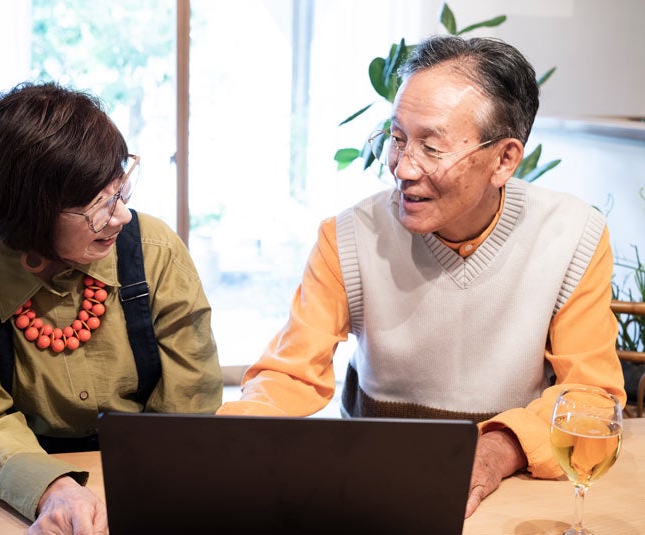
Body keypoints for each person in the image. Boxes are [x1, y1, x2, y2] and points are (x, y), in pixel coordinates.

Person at [217, 35, 626, 518]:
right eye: (397, 139)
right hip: (371, 483)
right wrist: (227, 443)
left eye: (431, 147)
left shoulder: (573, 236)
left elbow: (592, 399)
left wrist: (499, 448)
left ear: (504, 159)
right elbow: (288, 375)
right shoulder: (348, 236)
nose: (403, 168)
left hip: (511, 488)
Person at [0, 82, 223, 533]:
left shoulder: (154, 252)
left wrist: (150, 485)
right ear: (28, 221)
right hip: (21, 488)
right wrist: (53, 489)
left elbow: (189, 398)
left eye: (120, 189)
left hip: (151, 470)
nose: (121, 216)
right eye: (99, 207)